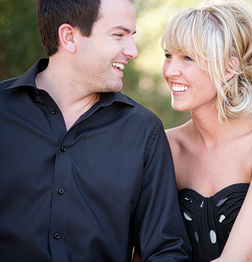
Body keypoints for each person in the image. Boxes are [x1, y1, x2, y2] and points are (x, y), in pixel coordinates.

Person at [0, 0, 192, 261]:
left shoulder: (143, 130)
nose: (132, 51)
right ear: (69, 37)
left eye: (131, 36)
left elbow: (166, 250)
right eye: (119, 35)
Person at [160, 0, 252, 261]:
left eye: (187, 58)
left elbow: (237, 259)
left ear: (228, 68)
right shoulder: (167, 146)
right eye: (168, 55)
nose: (170, 70)